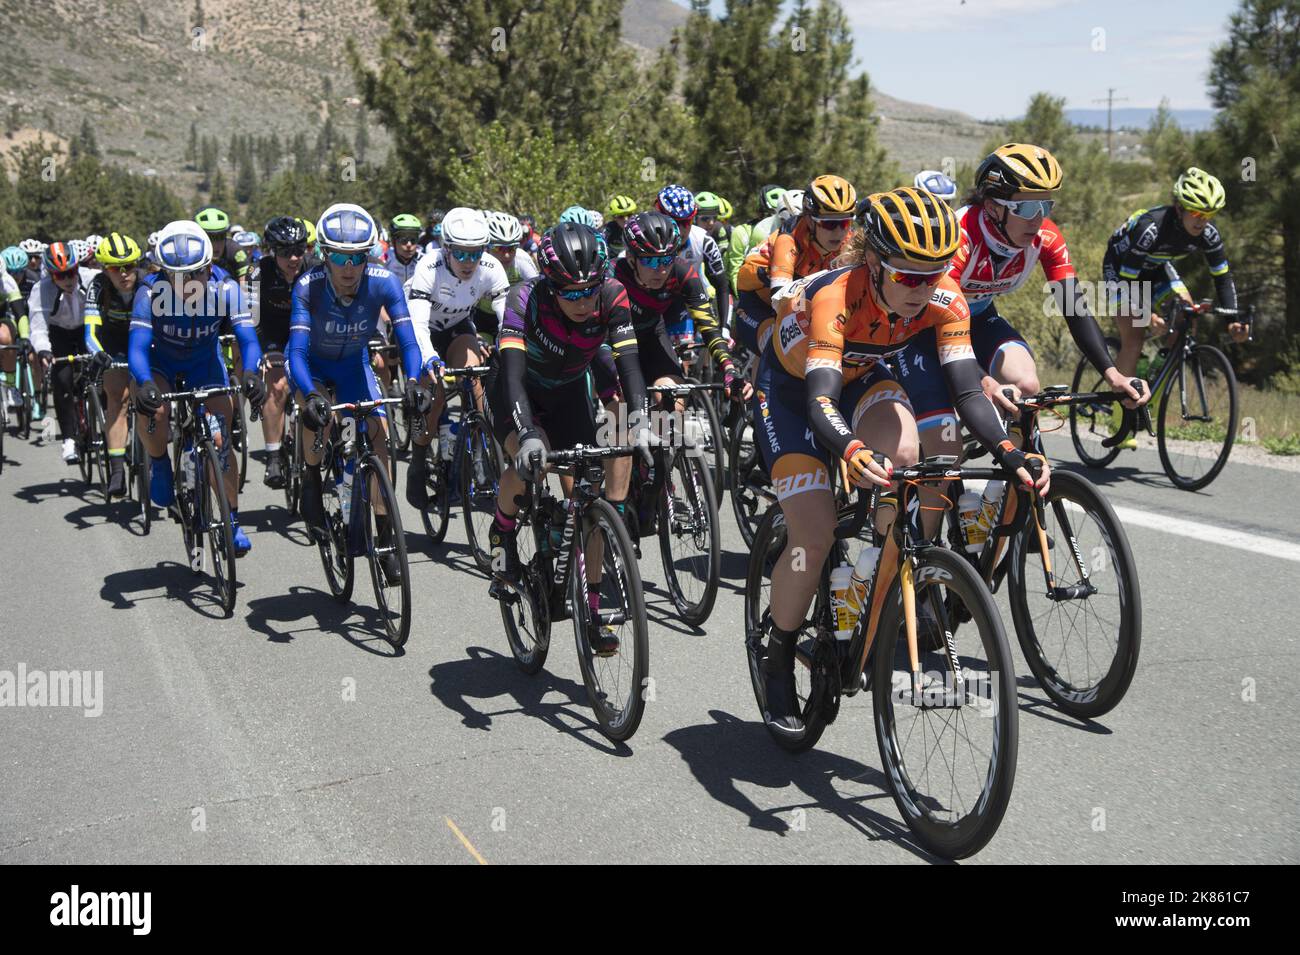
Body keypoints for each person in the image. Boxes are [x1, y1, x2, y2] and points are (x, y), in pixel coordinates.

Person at [752, 186, 1046, 733]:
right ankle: (777, 655)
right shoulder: (834, 296)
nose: (923, 289)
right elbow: (819, 398)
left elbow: (966, 393)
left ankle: (872, 576)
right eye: (909, 276)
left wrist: (1010, 454)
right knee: (812, 536)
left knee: (910, 453)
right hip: (793, 394)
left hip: (860, 380)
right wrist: (852, 449)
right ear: (873, 260)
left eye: (933, 274)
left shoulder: (944, 297)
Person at [898, 143, 1144, 458]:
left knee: (1027, 386)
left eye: (1046, 206)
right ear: (992, 207)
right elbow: (943, 328)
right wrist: (986, 382)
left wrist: (1113, 374)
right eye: (1027, 208)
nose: (1037, 219)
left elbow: (1074, 308)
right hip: (926, 329)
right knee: (946, 453)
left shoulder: (1047, 238)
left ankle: (1002, 498)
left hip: (980, 317)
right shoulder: (959, 237)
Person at [485, 222, 650, 654]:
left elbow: (628, 365)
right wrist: (526, 435)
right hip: (517, 393)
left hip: (569, 392)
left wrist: (640, 419)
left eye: (589, 290)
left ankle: (591, 611)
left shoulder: (613, 295)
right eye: (570, 293)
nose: (582, 301)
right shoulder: (526, 299)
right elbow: (515, 378)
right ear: (551, 284)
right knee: (525, 463)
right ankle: (502, 535)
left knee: (587, 496)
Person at [288, 203, 429, 583]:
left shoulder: (384, 282)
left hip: (353, 366)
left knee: (379, 442)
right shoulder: (308, 287)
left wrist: (413, 381)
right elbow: (297, 352)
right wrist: (309, 394)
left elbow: (408, 340)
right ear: (324, 256)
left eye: (357, 257)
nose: (348, 267)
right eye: (338, 256)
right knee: (319, 419)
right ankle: (313, 480)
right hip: (313, 368)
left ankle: (384, 539)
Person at [129, 221, 266, 555]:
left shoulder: (227, 289)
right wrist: (145, 383)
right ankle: (159, 461)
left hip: (205, 364)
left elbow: (249, 340)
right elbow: (136, 348)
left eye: (194, 275)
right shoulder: (148, 292)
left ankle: (231, 520)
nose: (186, 283)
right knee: (155, 410)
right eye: (176, 276)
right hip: (162, 363)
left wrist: (249, 373)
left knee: (221, 442)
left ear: (209, 267)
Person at [1104, 166, 1245, 446]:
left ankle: (1152, 380)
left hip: (1157, 268)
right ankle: (1120, 418)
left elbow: (1223, 277)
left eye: (1208, 215)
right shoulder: (1151, 228)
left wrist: (1234, 319)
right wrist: (1148, 314)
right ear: (1179, 207)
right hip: (1122, 271)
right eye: (1196, 213)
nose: (1202, 221)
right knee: (1134, 335)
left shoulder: (1208, 234)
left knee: (1188, 313)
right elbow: (1128, 280)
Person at [403, 207, 509, 508]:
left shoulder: (490, 267)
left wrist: (509, 350)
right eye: (461, 254)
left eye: (475, 253)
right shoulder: (428, 266)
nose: (469, 261)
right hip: (422, 331)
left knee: (476, 380)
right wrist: (430, 359)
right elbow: (419, 327)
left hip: (458, 327)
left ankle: (481, 455)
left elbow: (507, 320)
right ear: (446, 248)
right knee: (434, 395)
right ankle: (419, 460)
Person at [734, 175, 856, 358]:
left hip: (799, 297)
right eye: (829, 223)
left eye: (845, 222)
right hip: (757, 303)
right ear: (809, 220)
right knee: (777, 347)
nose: (839, 232)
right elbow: (781, 303)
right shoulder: (789, 240)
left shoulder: (847, 241)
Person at [248, 216, 311, 489]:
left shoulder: (316, 270)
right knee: (277, 384)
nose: (294, 258)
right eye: (286, 252)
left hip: (306, 333)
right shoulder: (257, 274)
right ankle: (273, 455)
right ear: (272, 251)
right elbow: (251, 321)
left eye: (300, 250)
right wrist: (266, 352)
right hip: (271, 335)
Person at [84, 233, 145, 497]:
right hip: (113, 344)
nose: (123, 274)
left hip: (143, 340)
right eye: (114, 268)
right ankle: (118, 470)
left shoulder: (149, 284)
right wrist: (99, 354)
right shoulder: (98, 287)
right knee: (117, 397)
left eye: (129, 266)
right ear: (103, 269)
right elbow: (90, 333)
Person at [28, 242, 96, 464]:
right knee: (63, 381)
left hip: (86, 329)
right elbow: (38, 328)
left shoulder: (91, 278)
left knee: (103, 376)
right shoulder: (42, 289)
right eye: (60, 276)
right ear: (51, 275)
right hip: (59, 334)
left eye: (71, 273)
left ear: (78, 268)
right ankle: (68, 438)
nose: (68, 280)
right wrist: (44, 351)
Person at [477, 211, 538, 341]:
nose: (506, 255)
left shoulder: (522, 259)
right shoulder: (478, 263)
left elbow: (538, 293)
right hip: (482, 320)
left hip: (513, 317)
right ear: (486, 247)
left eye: (511, 248)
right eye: (499, 248)